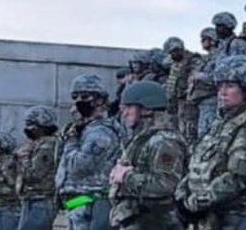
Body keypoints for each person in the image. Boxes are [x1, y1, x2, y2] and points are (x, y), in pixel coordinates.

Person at [176, 56, 246, 230]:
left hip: (245, 219)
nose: (222, 92)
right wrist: (183, 196)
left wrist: (194, 204)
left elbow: (237, 178)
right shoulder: (223, 122)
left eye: (230, 86)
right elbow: (198, 164)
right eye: (220, 86)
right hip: (216, 217)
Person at [108, 81, 187, 230]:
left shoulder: (165, 141)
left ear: (147, 109)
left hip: (156, 222)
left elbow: (165, 184)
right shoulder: (142, 138)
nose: (124, 113)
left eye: (129, 107)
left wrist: (126, 177)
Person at [55, 74, 122, 230]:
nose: (78, 101)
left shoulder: (100, 132)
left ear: (99, 100)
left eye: (85, 97)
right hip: (79, 201)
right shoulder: (85, 130)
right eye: (75, 97)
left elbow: (80, 166)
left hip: (93, 204)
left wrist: (72, 140)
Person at [15, 107, 58, 230]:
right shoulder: (38, 144)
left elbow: (34, 174)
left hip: (42, 200)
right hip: (32, 199)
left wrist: (24, 157)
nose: (28, 129)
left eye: (32, 125)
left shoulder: (47, 146)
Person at [163, 37, 201, 143]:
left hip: (187, 101)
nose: (171, 56)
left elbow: (194, 81)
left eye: (173, 52)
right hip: (175, 102)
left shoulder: (193, 60)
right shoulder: (174, 62)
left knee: (188, 130)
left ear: (179, 50)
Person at [187, 27, 220, 140]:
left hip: (210, 100)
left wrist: (200, 76)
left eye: (204, 39)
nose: (202, 42)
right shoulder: (208, 57)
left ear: (212, 40)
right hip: (201, 100)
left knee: (206, 135)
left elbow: (218, 77)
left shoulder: (218, 56)